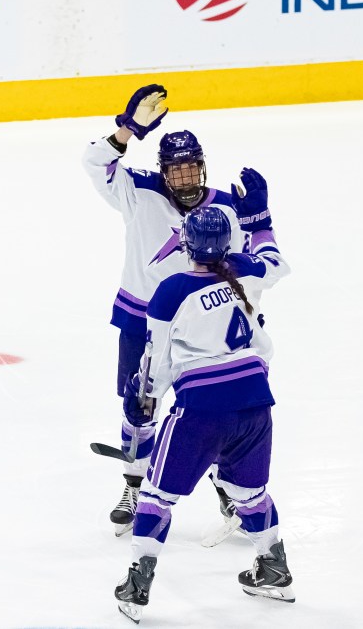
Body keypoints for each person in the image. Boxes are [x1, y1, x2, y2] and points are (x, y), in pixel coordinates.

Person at [113, 169, 294, 623]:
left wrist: (143, 396)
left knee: (157, 495)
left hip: (201, 411)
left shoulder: (171, 290)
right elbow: (276, 261)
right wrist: (260, 219)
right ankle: (274, 567)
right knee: (250, 492)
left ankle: (137, 584)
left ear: (186, 245)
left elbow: (157, 363)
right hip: (256, 404)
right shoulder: (246, 271)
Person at [82, 85, 248, 535]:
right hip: (140, 317)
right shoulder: (136, 189)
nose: (183, 178)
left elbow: (241, 273)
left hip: (201, 325)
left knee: (212, 408)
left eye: (191, 168)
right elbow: (94, 162)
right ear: (163, 171)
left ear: (202, 167)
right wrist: (128, 129)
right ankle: (134, 485)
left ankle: (227, 486)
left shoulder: (227, 208)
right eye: (175, 171)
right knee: (140, 403)